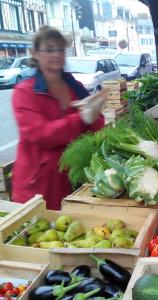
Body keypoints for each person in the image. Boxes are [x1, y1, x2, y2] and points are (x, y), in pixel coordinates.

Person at [11, 26, 106, 210]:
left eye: (61, 49)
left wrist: (95, 112)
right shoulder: (24, 92)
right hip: (38, 186)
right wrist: (82, 118)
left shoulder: (74, 86)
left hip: (73, 179)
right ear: (35, 53)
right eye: (49, 49)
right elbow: (40, 134)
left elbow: (96, 126)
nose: (57, 54)